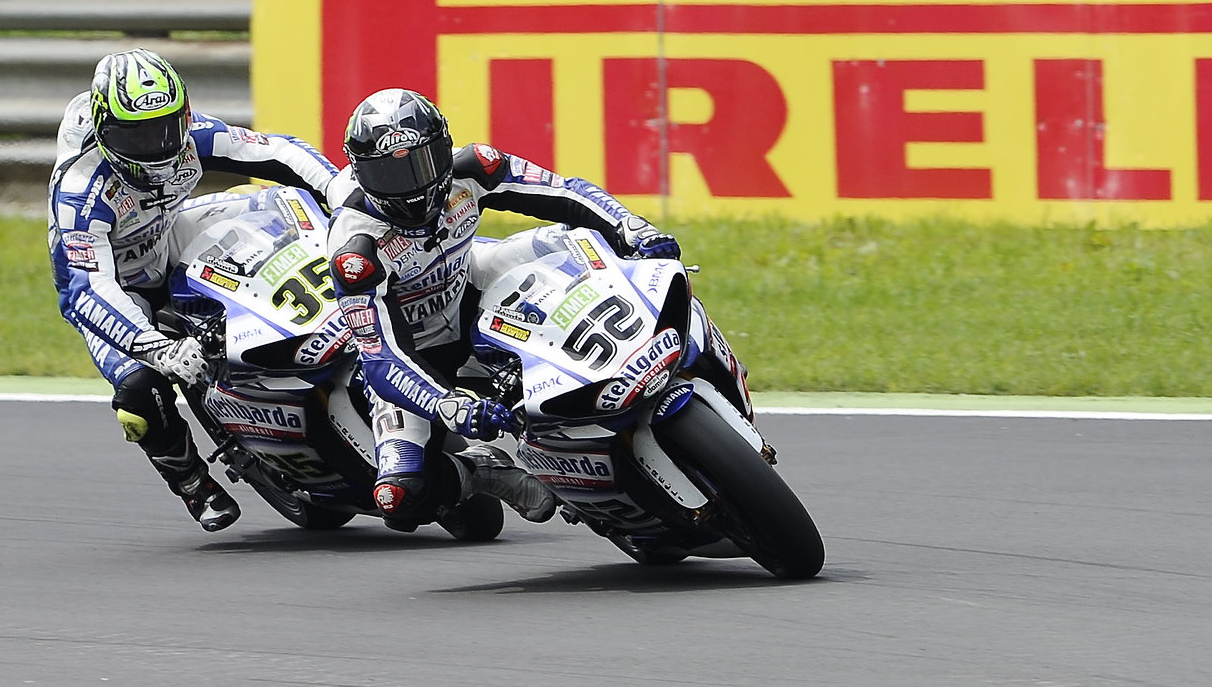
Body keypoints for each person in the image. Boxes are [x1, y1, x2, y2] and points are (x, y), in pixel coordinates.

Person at [324, 89, 747, 533]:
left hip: (475, 282)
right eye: (390, 175)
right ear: (359, 171)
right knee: (400, 494)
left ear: (445, 151)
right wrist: (448, 405)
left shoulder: (476, 166)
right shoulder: (357, 252)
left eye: (422, 164)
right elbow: (378, 358)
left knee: (586, 245)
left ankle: (690, 359)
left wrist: (631, 227)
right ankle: (482, 472)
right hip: (420, 350)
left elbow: (565, 193)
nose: (411, 187)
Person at [48, 49, 339, 531]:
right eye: (136, 134)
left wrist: (345, 196)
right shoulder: (81, 191)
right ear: (104, 129)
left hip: (168, 233)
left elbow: (278, 150)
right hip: (116, 282)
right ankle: (191, 483)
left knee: (285, 205)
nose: (157, 144)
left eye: (166, 126)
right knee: (140, 394)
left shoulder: (192, 134)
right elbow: (86, 288)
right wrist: (153, 348)